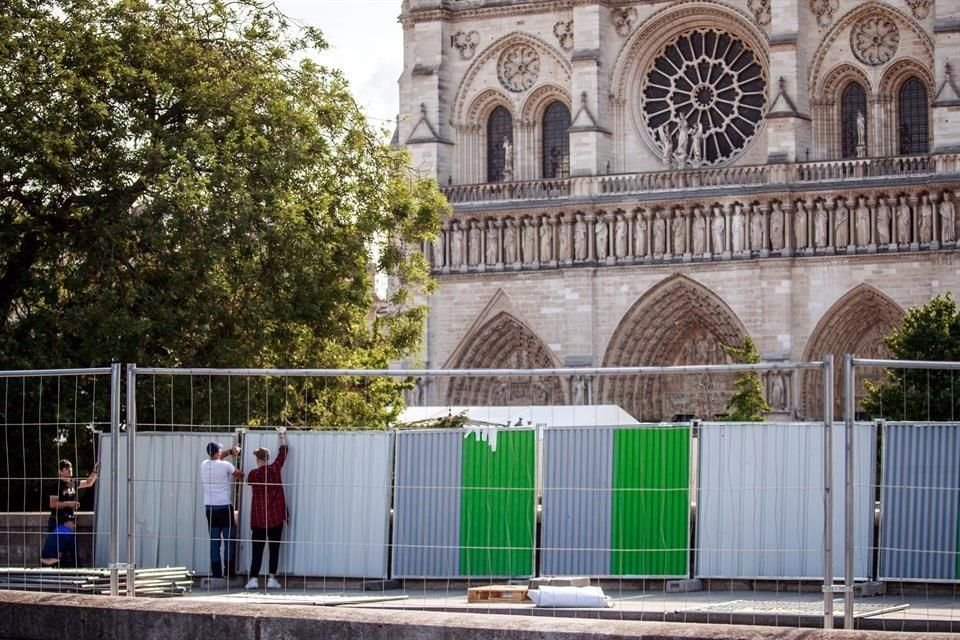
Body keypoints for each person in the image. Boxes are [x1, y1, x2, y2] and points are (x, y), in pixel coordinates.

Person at [245, 427, 289, 590]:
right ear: (268, 458)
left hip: (258, 519)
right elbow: (283, 453)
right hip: (276, 517)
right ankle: (271, 579)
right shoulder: (275, 469)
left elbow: (248, 482)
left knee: (257, 549)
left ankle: (254, 579)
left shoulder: (253, 475)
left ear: (257, 459)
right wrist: (282, 435)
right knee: (274, 549)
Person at [201, 440, 243, 579]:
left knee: (214, 541)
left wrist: (230, 452)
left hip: (210, 508)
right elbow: (239, 474)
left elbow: (217, 459)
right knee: (229, 539)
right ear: (218, 452)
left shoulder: (204, 465)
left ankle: (216, 572)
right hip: (225, 507)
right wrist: (233, 455)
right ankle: (230, 572)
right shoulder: (226, 466)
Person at [47, 459, 98, 533]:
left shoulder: (73, 482)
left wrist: (95, 471)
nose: (70, 470)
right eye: (66, 468)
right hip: (57, 520)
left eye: (70, 468)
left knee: (69, 544)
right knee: (57, 544)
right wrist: (69, 504)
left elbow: (88, 483)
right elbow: (53, 504)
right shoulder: (56, 486)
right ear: (60, 471)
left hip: (69, 521)